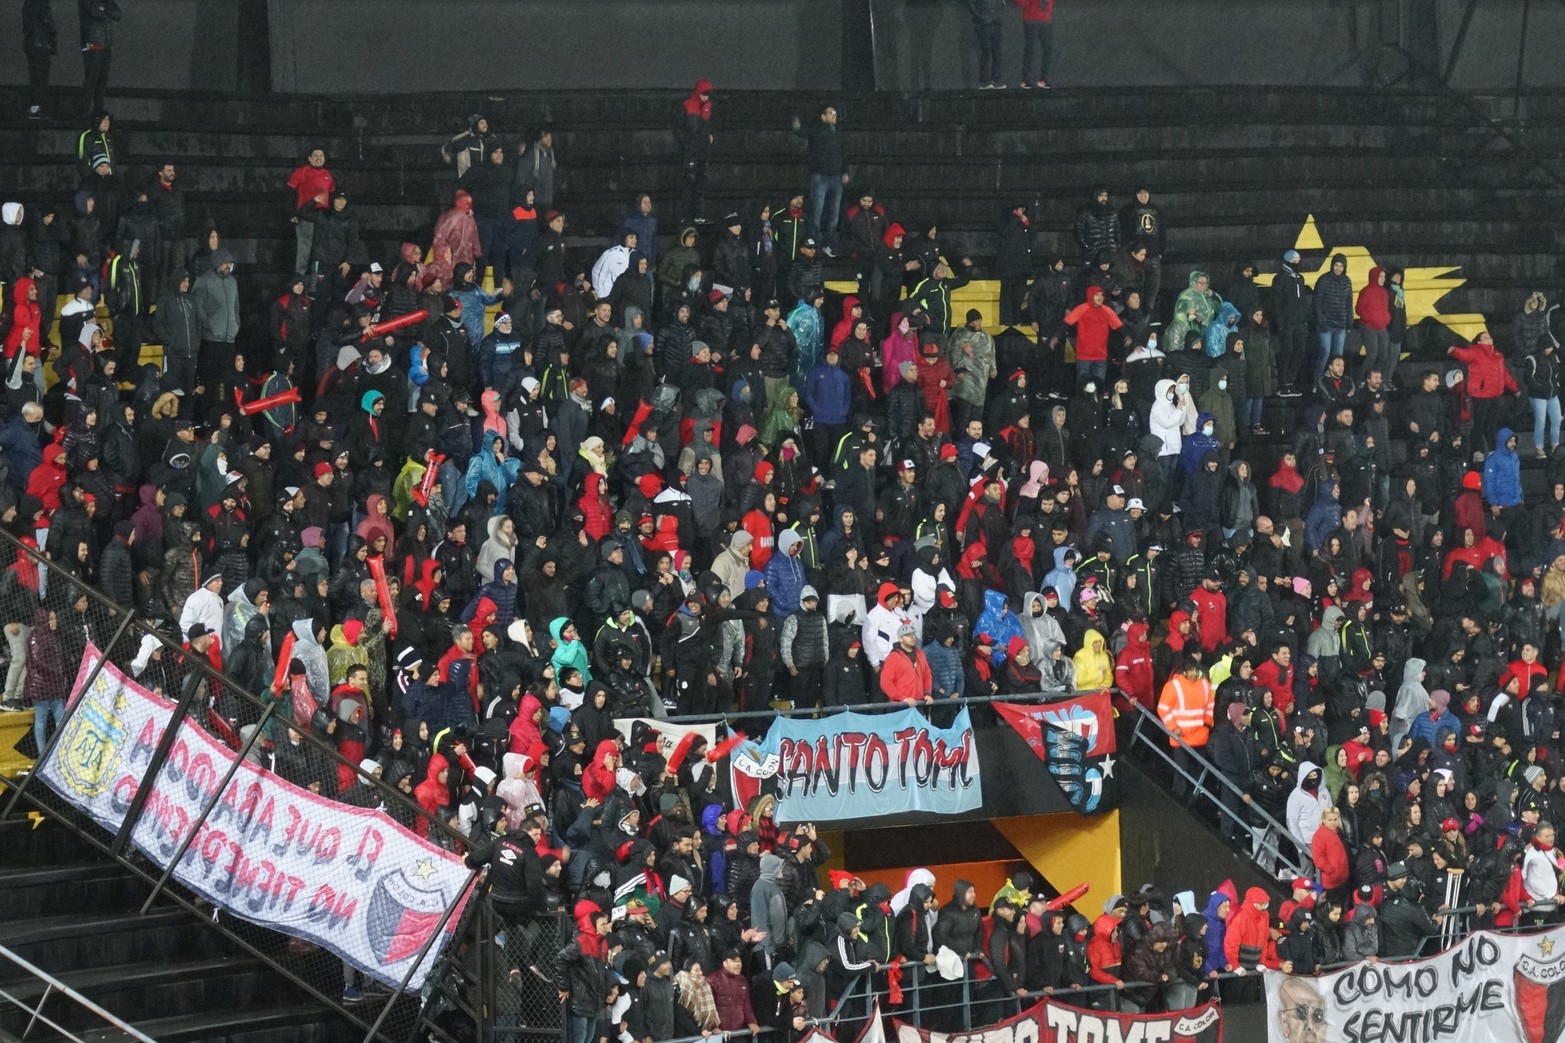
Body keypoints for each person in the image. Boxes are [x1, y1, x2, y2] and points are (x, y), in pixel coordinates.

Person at [792, 105, 848, 256]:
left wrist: (845, 171)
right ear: (823, 116)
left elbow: (844, 152)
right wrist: (796, 124)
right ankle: (814, 243)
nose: (834, 115)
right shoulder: (816, 129)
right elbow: (801, 131)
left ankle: (828, 244)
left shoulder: (839, 132)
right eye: (831, 113)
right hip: (820, 176)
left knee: (834, 214)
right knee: (817, 212)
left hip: (836, 176)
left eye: (835, 113)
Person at [1014, 0, 1055, 89]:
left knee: (1048, 49)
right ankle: (1026, 80)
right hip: (1031, 19)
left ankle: (1043, 79)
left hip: (1046, 19)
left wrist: (1048, 8)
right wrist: (1029, 7)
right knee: (1031, 49)